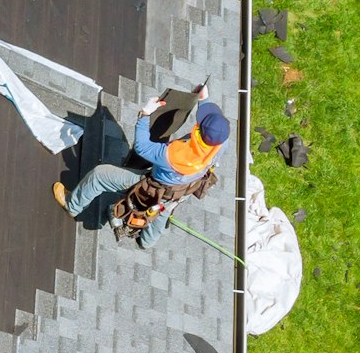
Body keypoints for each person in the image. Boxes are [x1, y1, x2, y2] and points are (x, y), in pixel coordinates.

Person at [53, 93, 230, 248]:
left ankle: (72, 205)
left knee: (100, 175)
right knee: (163, 209)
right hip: (179, 192)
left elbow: (142, 147)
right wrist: (203, 99)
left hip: (153, 188)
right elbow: (214, 127)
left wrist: (145, 114)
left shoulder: (173, 155)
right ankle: (147, 241)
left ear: (198, 132)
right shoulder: (221, 144)